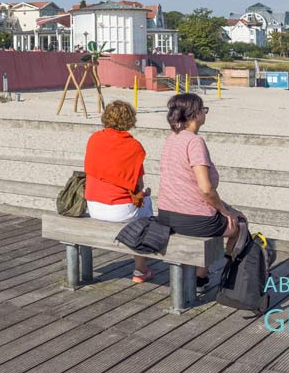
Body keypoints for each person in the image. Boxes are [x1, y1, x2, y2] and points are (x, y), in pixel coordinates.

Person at [156, 93, 243, 289]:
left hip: (167, 214)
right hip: (193, 219)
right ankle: (223, 274)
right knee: (240, 224)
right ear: (195, 114)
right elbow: (205, 189)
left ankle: (200, 275)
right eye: (204, 109)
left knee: (224, 214)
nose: (205, 113)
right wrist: (223, 210)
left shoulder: (171, 138)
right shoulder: (194, 142)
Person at [84, 100, 155, 283]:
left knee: (142, 205)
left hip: (93, 205)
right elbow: (137, 185)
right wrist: (144, 194)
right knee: (146, 208)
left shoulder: (94, 139)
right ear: (130, 119)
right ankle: (140, 270)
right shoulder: (134, 146)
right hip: (119, 209)